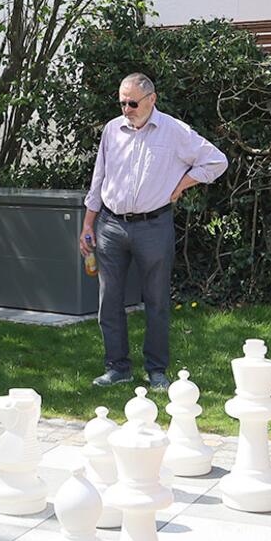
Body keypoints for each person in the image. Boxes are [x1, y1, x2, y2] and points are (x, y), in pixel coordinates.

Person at [80, 74, 227, 391]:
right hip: (110, 225)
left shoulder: (174, 131)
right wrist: (88, 223)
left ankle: (157, 371)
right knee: (109, 301)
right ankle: (117, 368)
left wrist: (182, 184)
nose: (127, 109)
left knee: (157, 301)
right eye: (122, 102)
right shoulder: (111, 130)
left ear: (151, 100)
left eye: (133, 103)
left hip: (153, 225)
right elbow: (99, 178)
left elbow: (217, 161)